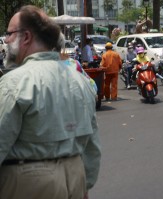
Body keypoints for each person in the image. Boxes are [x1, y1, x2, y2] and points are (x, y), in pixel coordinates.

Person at [0, 5, 101, 199]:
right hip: (75, 179)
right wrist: (84, 186)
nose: (6, 39)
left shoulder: (15, 82)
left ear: (26, 37)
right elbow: (92, 147)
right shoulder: (80, 79)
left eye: (10, 33)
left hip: (29, 183)